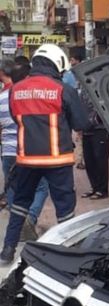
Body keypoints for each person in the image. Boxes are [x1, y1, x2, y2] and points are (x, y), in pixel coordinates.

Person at [1, 44, 89, 263]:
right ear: (56, 63)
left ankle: (7, 251)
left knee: (20, 205)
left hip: (26, 160)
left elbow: (15, 118)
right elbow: (81, 123)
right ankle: (70, 255)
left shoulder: (15, 90)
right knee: (65, 210)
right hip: (58, 161)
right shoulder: (62, 89)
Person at [0, 59, 48, 241]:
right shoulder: (32, 97)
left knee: (13, 189)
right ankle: (30, 217)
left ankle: (19, 223)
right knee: (42, 187)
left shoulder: (3, 98)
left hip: (8, 151)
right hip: (29, 150)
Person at [78, 82, 109, 200]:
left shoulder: (100, 87)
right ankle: (94, 187)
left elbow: (104, 107)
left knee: (100, 160)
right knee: (89, 161)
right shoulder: (82, 88)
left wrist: (93, 121)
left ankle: (102, 190)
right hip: (86, 130)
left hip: (100, 130)